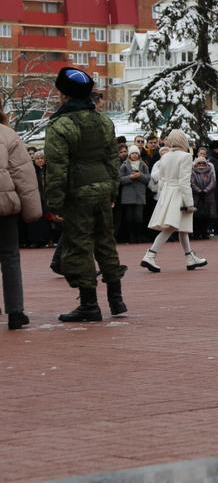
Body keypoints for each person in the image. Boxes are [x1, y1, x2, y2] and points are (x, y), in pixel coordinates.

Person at [43, 67, 126, 322]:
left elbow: (57, 167)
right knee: (105, 242)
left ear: (64, 94)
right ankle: (116, 299)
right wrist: (113, 189)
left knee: (80, 246)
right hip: (102, 189)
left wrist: (54, 203)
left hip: (77, 194)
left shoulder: (60, 125)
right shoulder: (104, 121)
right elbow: (113, 160)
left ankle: (89, 304)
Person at [141, 130, 208, 272]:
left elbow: (162, 179)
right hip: (179, 194)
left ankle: (190, 257)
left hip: (167, 193)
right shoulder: (186, 156)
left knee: (182, 227)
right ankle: (150, 255)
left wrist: (162, 196)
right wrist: (189, 203)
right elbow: (184, 182)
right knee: (170, 227)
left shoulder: (165, 157)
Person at [0, 113, 42, 329]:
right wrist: (33, 211)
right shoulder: (8, 134)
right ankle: (15, 312)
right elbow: (23, 175)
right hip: (5, 204)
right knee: (10, 257)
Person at [118, 147, 150, 243]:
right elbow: (120, 180)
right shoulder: (124, 166)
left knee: (139, 217)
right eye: (132, 153)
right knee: (129, 217)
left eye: (136, 153)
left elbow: (148, 179)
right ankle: (131, 237)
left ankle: (139, 236)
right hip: (128, 196)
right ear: (129, 155)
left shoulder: (144, 165)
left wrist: (140, 176)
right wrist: (130, 177)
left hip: (139, 195)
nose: (135, 155)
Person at [190, 148, 218, 240]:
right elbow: (192, 182)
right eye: (200, 163)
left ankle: (205, 231)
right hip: (196, 196)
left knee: (208, 215)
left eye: (203, 163)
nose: (201, 164)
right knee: (196, 216)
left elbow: (213, 181)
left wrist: (205, 190)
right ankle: (196, 232)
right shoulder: (193, 169)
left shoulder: (210, 168)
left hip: (208, 195)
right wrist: (198, 191)